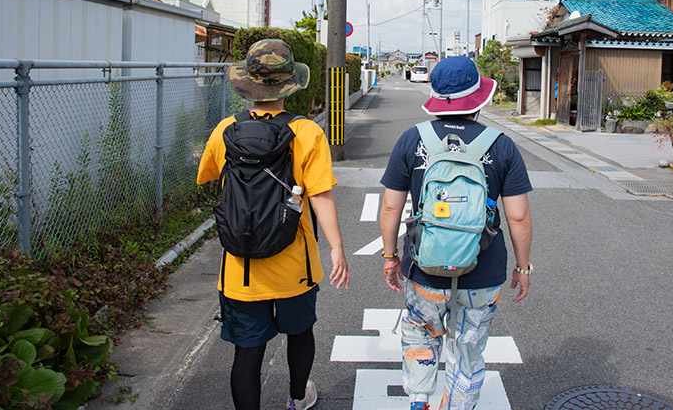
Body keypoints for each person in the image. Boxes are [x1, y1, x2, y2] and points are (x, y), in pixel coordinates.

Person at [197, 39, 350, 410]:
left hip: (241, 267)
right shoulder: (307, 133)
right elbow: (321, 196)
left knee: (246, 353)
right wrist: (337, 248)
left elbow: (208, 176)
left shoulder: (225, 131)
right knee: (300, 332)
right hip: (294, 262)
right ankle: (297, 399)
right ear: (290, 85)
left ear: (248, 83)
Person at [379, 56, 533, 410]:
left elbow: (390, 207)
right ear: (477, 98)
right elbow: (519, 217)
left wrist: (390, 258)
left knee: (420, 337)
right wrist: (523, 268)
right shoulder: (502, 145)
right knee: (468, 350)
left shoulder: (411, 140)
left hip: (424, 269)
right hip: (484, 272)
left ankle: (420, 402)